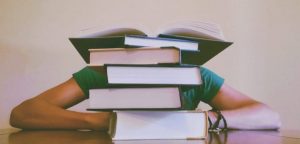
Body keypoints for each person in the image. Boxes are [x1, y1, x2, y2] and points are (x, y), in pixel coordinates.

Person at [9, 66, 281, 131]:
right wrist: (104, 122)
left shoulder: (194, 75)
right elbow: (23, 113)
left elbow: (268, 115)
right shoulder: (103, 72)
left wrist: (207, 119)